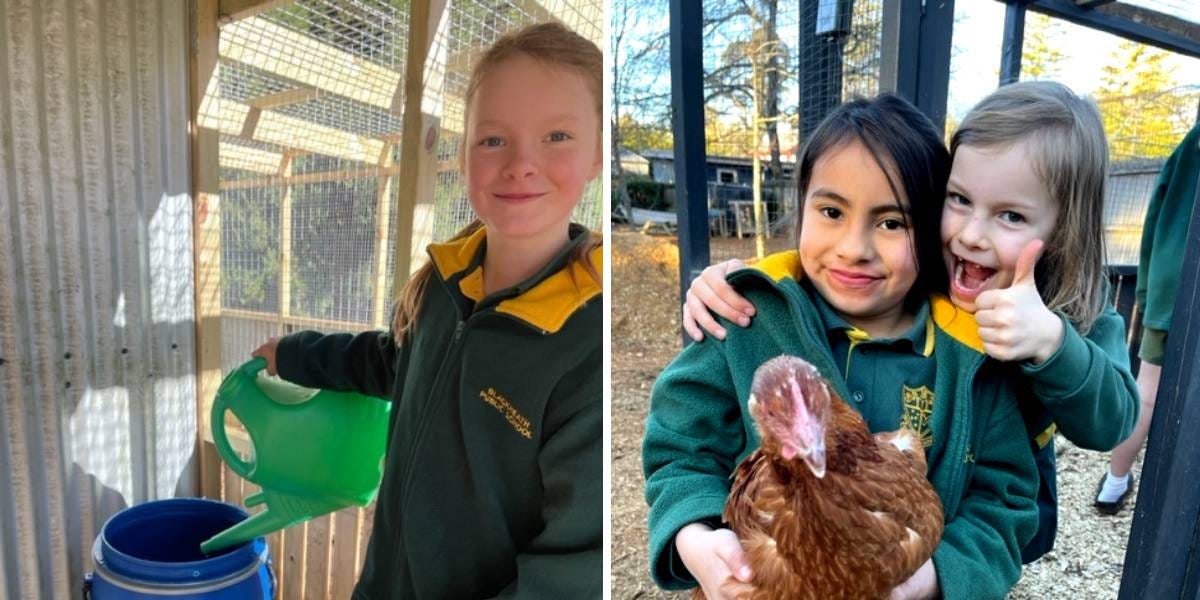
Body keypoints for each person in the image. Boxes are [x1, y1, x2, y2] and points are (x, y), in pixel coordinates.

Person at [683, 81, 1139, 561]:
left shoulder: (1076, 302)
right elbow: (840, 258)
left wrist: (1052, 342)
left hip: (981, 500)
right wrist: (741, 280)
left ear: (1063, 227)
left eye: (1010, 215)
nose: (971, 234)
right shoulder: (928, 274)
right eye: (959, 199)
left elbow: (1108, 423)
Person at [250, 22, 603, 598]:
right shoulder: (445, 281)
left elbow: (576, 571)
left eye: (557, 136)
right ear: (463, 156)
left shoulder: (586, 338)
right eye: (493, 140)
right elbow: (399, 361)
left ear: (595, 155)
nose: (520, 163)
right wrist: (292, 354)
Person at [643, 94, 1039, 600]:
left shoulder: (972, 354)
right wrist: (696, 540)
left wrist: (933, 578)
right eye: (831, 211)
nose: (854, 247)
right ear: (801, 206)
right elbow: (680, 450)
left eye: (892, 222)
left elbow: (1004, 500)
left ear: (935, 230)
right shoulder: (744, 321)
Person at [1096, 120, 1200, 514]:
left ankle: (1114, 483)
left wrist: (1148, 292)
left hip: (1170, 286)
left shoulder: (1190, 144)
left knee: (1149, 390)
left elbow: (1156, 213)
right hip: (1179, 287)